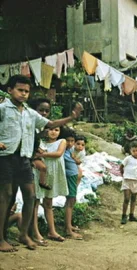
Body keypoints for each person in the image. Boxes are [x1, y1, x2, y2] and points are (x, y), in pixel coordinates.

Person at [0, 75, 82, 252]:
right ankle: (1, 239)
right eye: (20, 90)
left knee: (30, 195)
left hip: (24, 159)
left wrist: (71, 117)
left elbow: (50, 123)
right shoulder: (3, 109)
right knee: (6, 195)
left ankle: (24, 234)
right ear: (9, 90)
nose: (23, 94)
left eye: (26, 91)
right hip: (6, 157)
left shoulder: (30, 113)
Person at [33, 126, 68, 243]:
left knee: (48, 202)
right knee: (35, 202)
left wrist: (42, 155)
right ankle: (35, 232)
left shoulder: (62, 141)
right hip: (40, 174)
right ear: (46, 131)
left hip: (53, 175)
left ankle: (52, 231)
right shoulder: (40, 142)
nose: (53, 132)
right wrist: (41, 153)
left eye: (56, 130)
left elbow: (58, 154)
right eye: (51, 129)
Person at [62, 128, 83, 240]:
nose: (70, 143)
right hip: (69, 177)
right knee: (70, 201)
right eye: (67, 141)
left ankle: (69, 225)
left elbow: (73, 158)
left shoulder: (70, 151)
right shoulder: (62, 151)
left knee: (72, 200)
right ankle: (68, 230)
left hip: (73, 176)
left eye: (72, 141)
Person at [28, 98, 52, 191]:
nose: (44, 113)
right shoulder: (30, 124)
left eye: (47, 111)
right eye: (41, 110)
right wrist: (39, 136)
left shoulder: (41, 125)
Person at [120, 141, 137, 224]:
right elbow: (121, 166)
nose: (136, 152)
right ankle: (123, 215)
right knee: (126, 198)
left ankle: (131, 215)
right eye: (134, 151)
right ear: (130, 151)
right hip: (127, 180)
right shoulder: (128, 158)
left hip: (135, 181)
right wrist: (123, 175)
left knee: (133, 198)